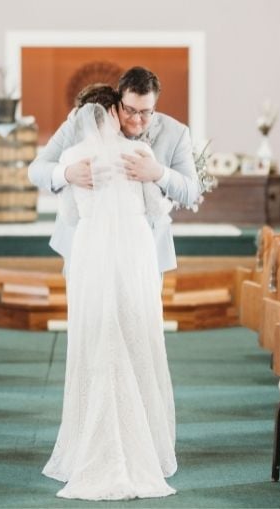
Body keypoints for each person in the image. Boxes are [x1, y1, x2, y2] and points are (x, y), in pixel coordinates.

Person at [41, 93, 177, 500]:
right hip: (132, 250)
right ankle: (147, 446)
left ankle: (88, 444)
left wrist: (73, 181)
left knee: (95, 336)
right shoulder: (138, 150)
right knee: (136, 333)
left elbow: (66, 216)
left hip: (91, 250)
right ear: (114, 113)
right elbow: (158, 208)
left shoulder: (74, 159)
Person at [28, 66, 200, 275]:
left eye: (146, 112)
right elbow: (36, 170)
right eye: (129, 110)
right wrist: (67, 173)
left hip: (143, 253)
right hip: (87, 249)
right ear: (118, 101)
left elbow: (192, 191)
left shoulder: (176, 133)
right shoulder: (81, 121)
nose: (137, 119)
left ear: (155, 106)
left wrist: (158, 173)